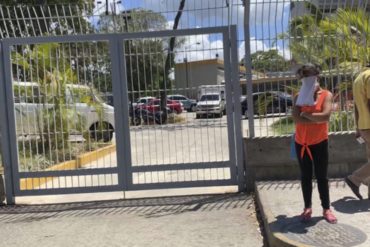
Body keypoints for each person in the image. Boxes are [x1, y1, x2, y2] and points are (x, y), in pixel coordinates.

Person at [292, 63, 337, 224]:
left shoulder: (326, 95)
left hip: (319, 142)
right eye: (304, 76)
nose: (308, 78)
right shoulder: (298, 96)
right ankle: (307, 208)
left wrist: (305, 114)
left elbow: (325, 116)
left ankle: (326, 208)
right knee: (305, 177)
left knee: (322, 177)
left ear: (317, 76)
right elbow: (296, 119)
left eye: (310, 75)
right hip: (301, 143)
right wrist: (313, 117)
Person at [345, 65, 370, 200]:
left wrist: (357, 127)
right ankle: (355, 178)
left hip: (364, 126)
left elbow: (356, 106)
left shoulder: (359, 78)